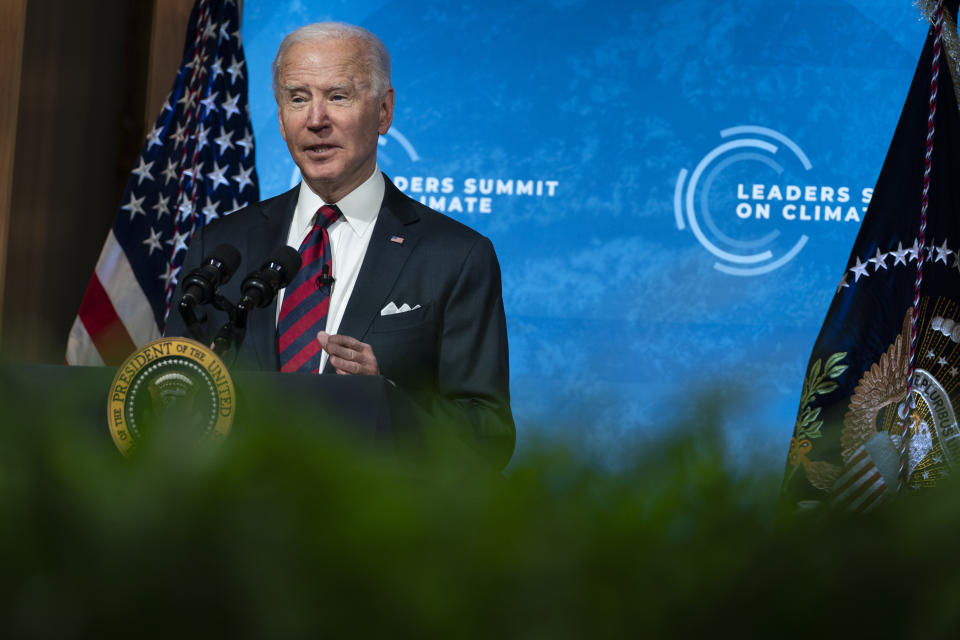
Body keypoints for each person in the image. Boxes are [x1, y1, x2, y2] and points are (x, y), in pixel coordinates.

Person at [165, 22, 515, 469]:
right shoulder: (221, 245)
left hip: (374, 527)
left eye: (338, 96)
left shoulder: (455, 256)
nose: (315, 120)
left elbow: (487, 436)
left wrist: (383, 401)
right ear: (280, 115)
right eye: (297, 98)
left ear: (384, 111)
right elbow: (170, 398)